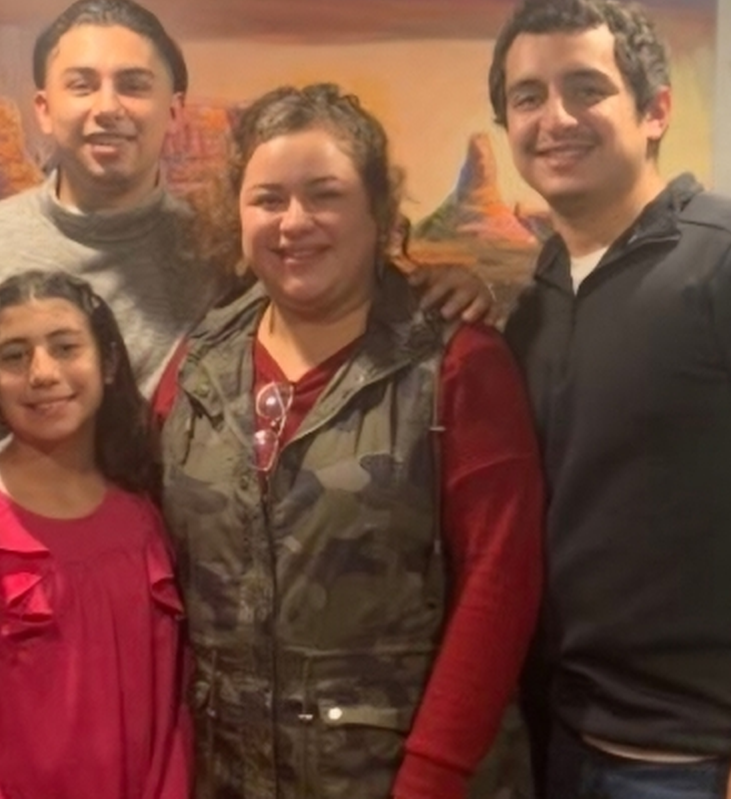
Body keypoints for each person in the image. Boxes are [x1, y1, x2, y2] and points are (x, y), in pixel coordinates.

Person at [0, 0, 496, 487]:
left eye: (134, 85)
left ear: (174, 112)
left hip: (166, 577)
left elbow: (335, 282)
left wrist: (444, 286)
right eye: (82, 85)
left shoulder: (227, 254)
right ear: (43, 109)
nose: (108, 107)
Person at [156, 83, 544, 799]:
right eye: (268, 199)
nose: (293, 222)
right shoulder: (199, 364)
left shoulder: (456, 363)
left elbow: (500, 585)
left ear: (378, 213)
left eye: (325, 195)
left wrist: (432, 778)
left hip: (400, 779)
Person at [494, 0, 731, 799]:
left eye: (586, 89)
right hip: (561, 744)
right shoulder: (539, 298)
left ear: (655, 111)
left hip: (706, 761)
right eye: (528, 97)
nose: (556, 117)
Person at [0, 270, 188, 799]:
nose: (43, 373)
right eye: (15, 356)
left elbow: (172, 707)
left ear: (108, 363)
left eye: (66, 347)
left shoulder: (142, 519)